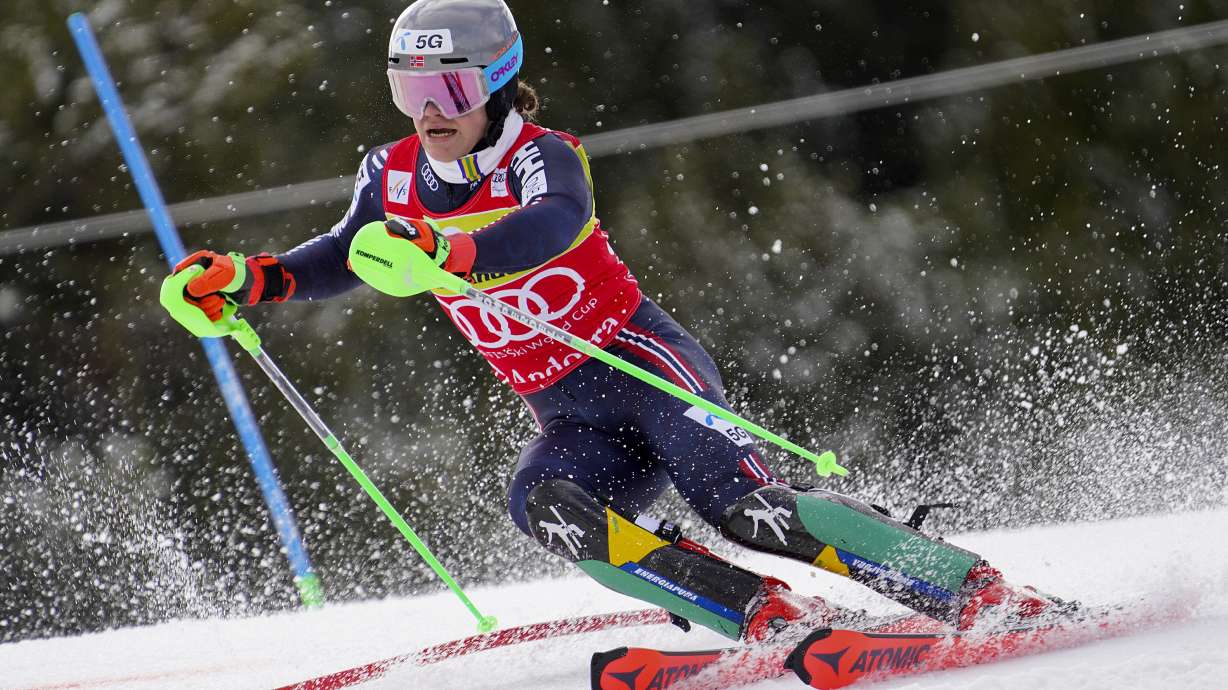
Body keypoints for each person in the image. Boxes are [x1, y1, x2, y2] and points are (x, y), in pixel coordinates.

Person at [163, 0, 1064, 641]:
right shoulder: (391, 173)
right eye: (410, 92)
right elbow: (337, 255)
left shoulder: (542, 156)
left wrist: (451, 256)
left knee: (744, 507)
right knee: (544, 506)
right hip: (568, 408)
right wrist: (246, 279)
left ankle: (968, 589)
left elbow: (551, 223)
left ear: (501, 82)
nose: (429, 114)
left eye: (450, 90)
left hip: (643, 368)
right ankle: (756, 616)